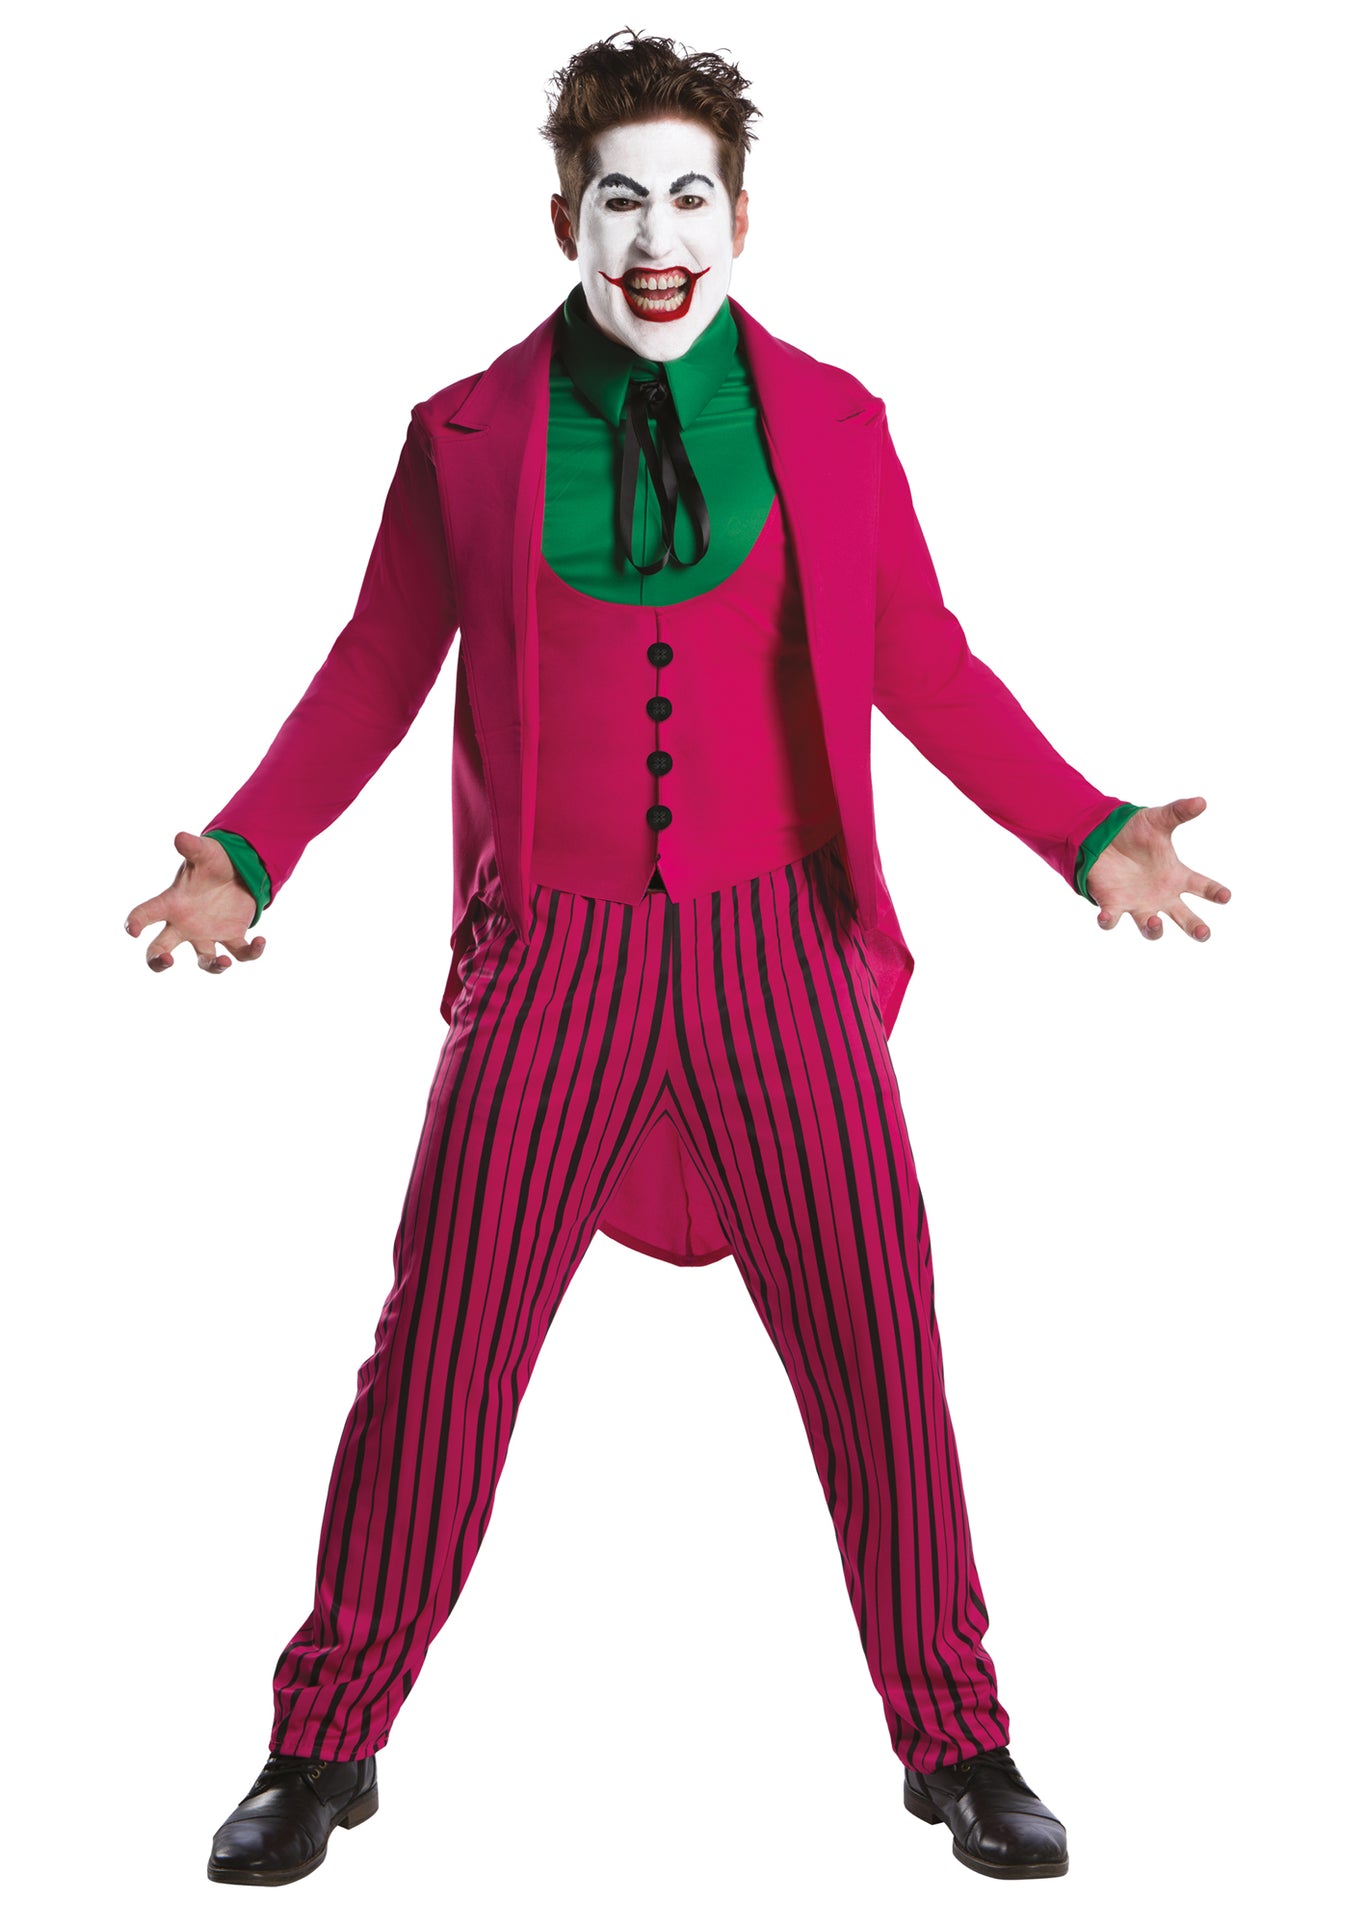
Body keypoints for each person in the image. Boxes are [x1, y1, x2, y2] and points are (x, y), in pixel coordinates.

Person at [124, 29, 1228, 1889]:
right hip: (548, 959)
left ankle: (954, 1738)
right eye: (619, 199)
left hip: (774, 946)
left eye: (689, 197)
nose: (656, 238)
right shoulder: (465, 437)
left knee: (878, 1337)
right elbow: (375, 668)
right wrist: (246, 852)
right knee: (439, 1351)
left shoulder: (834, 424)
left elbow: (922, 661)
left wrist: (1085, 829)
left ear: (741, 217)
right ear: (563, 216)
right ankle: (323, 1739)